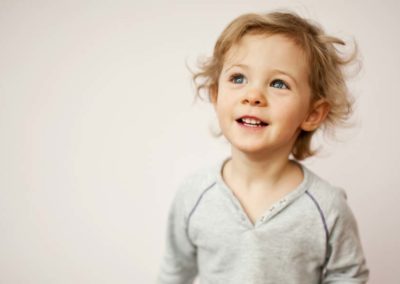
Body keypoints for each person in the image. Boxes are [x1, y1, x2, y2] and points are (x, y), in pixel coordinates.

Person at [157, 11, 369, 284]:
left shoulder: (327, 207)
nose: (253, 96)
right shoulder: (193, 196)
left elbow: (348, 276)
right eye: (238, 78)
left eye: (278, 83)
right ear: (216, 94)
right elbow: (174, 272)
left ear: (312, 114)